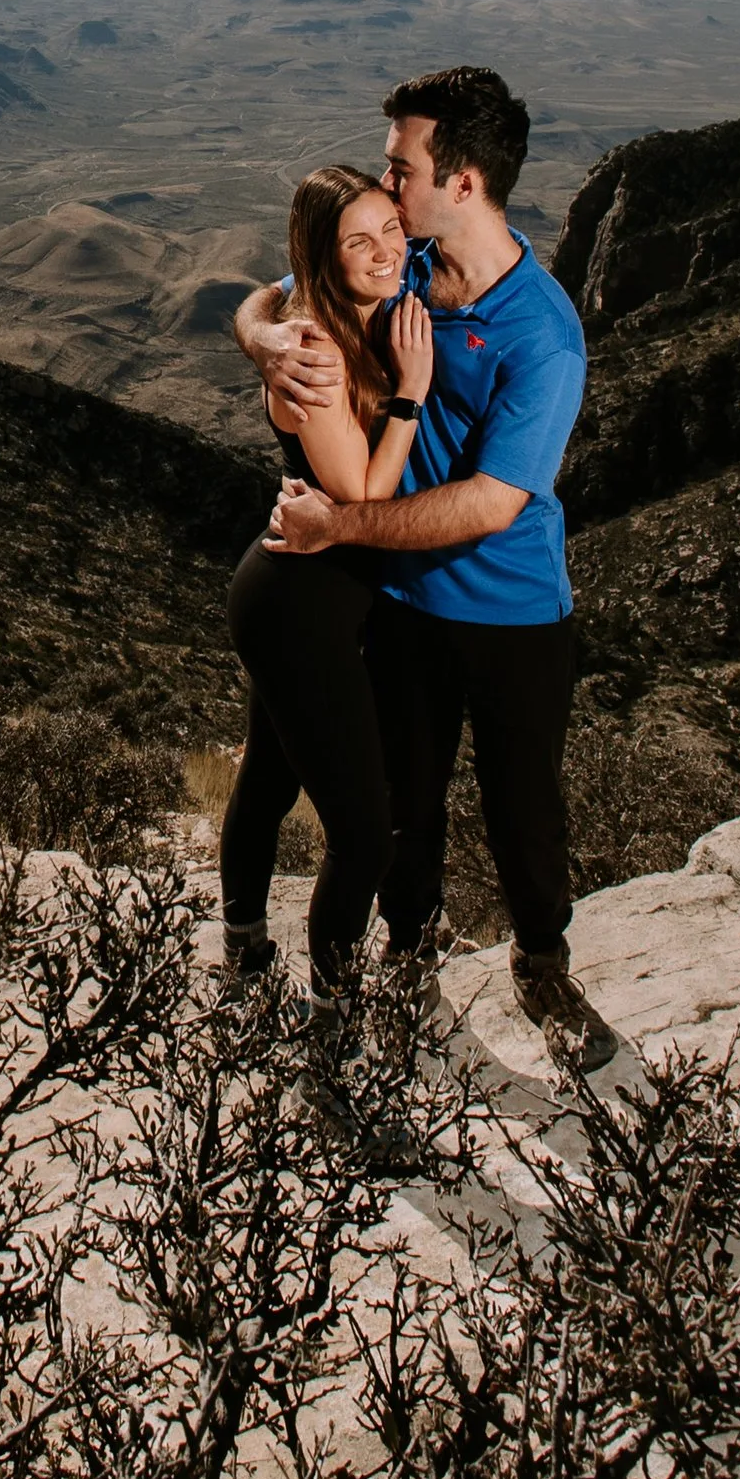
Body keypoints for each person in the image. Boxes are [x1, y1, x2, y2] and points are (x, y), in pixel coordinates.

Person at [233, 65, 617, 1059]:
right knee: (407, 807)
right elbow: (277, 291)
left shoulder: (542, 333)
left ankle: (542, 965)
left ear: (464, 182)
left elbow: (493, 502)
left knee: (522, 805)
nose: (387, 186)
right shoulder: (401, 265)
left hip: (512, 609)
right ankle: (409, 957)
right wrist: (266, 340)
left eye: (402, 169)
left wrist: (341, 528)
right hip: (404, 604)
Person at [218, 165, 433, 991]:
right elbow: (361, 494)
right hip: (296, 607)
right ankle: (333, 1014)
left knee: (269, 779)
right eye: (359, 242)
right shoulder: (315, 351)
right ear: (322, 254)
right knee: (363, 836)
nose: (385, 253)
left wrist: (253, 322)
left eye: (391, 231)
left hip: (310, 597)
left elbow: (268, 292)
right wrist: (410, 394)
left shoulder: (338, 308)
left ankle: (243, 951)